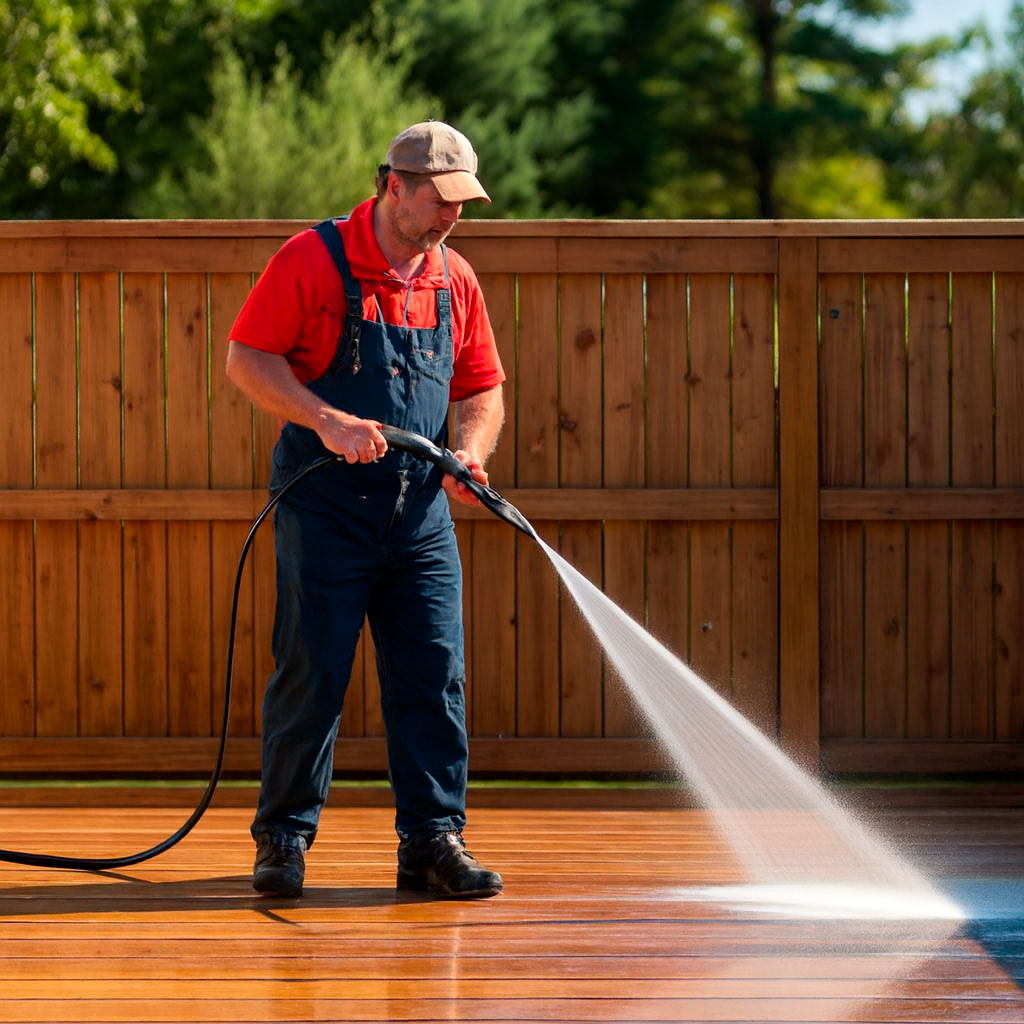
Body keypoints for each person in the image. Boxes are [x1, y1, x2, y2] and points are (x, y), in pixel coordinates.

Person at [225, 121, 506, 899]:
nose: (452, 216)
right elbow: (247, 357)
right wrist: (325, 418)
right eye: (440, 200)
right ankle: (282, 840)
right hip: (325, 505)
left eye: (463, 202)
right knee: (313, 670)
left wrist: (473, 450)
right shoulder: (312, 259)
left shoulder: (454, 278)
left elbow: (481, 384)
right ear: (393, 186)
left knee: (432, 673)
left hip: (418, 515)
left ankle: (431, 842)